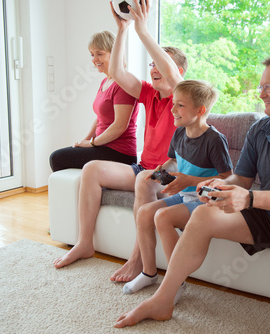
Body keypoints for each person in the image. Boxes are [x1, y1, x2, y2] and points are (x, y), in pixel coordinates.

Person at [113, 52, 270, 334]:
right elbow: (242, 179)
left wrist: (249, 199)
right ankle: (163, 300)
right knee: (203, 214)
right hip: (268, 210)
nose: (262, 93)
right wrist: (218, 185)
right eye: (261, 87)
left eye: (268, 87)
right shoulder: (260, 128)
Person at [52, 0, 188, 273]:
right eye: (152, 64)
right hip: (143, 167)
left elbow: (172, 76)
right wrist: (123, 28)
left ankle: (137, 259)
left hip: (171, 175)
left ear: (179, 71)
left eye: (161, 63)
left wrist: (143, 30)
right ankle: (84, 242)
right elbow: (116, 72)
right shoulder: (148, 93)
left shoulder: (182, 95)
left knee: (144, 178)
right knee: (92, 169)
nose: (154, 68)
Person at [122, 80, 233, 297]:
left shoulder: (214, 140)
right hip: (183, 196)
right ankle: (149, 272)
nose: (172, 109)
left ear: (200, 110)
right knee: (145, 213)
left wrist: (189, 180)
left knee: (162, 217)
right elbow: (173, 160)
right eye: (173, 103)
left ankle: (176, 281)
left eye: (180, 105)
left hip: (203, 202)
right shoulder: (180, 132)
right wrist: (162, 171)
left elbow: (228, 179)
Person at [49, 31, 139, 172]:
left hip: (120, 153)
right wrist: (84, 140)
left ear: (114, 53)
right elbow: (100, 118)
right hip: (103, 147)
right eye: (92, 54)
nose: (94, 59)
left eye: (100, 53)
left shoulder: (123, 83)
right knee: (61, 155)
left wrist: (92, 143)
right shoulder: (106, 81)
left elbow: (120, 126)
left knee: (57, 157)